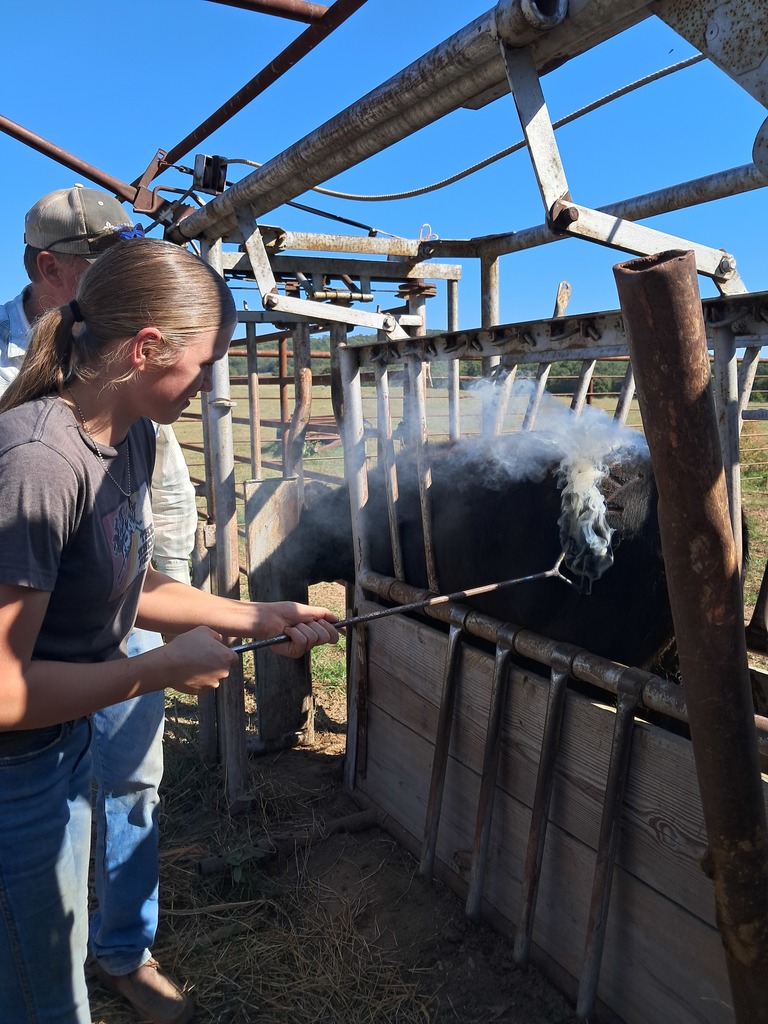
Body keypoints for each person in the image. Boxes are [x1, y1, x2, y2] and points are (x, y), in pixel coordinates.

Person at [0, 235, 339, 1024]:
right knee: (42, 995)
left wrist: (255, 614)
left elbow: (123, 582)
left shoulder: (133, 435)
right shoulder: (38, 463)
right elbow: (5, 692)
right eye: (205, 359)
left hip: (64, 737)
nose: (211, 380)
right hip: (15, 766)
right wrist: (155, 671)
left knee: (59, 950)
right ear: (147, 348)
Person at [0, 185, 202, 1023]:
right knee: (38, 876)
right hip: (32, 680)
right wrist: (162, 658)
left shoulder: (133, 405)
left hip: (115, 618)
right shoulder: (42, 434)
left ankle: (119, 949)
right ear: (53, 269)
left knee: (125, 787)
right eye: (103, 262)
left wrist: (214, 616)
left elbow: (148, 518)